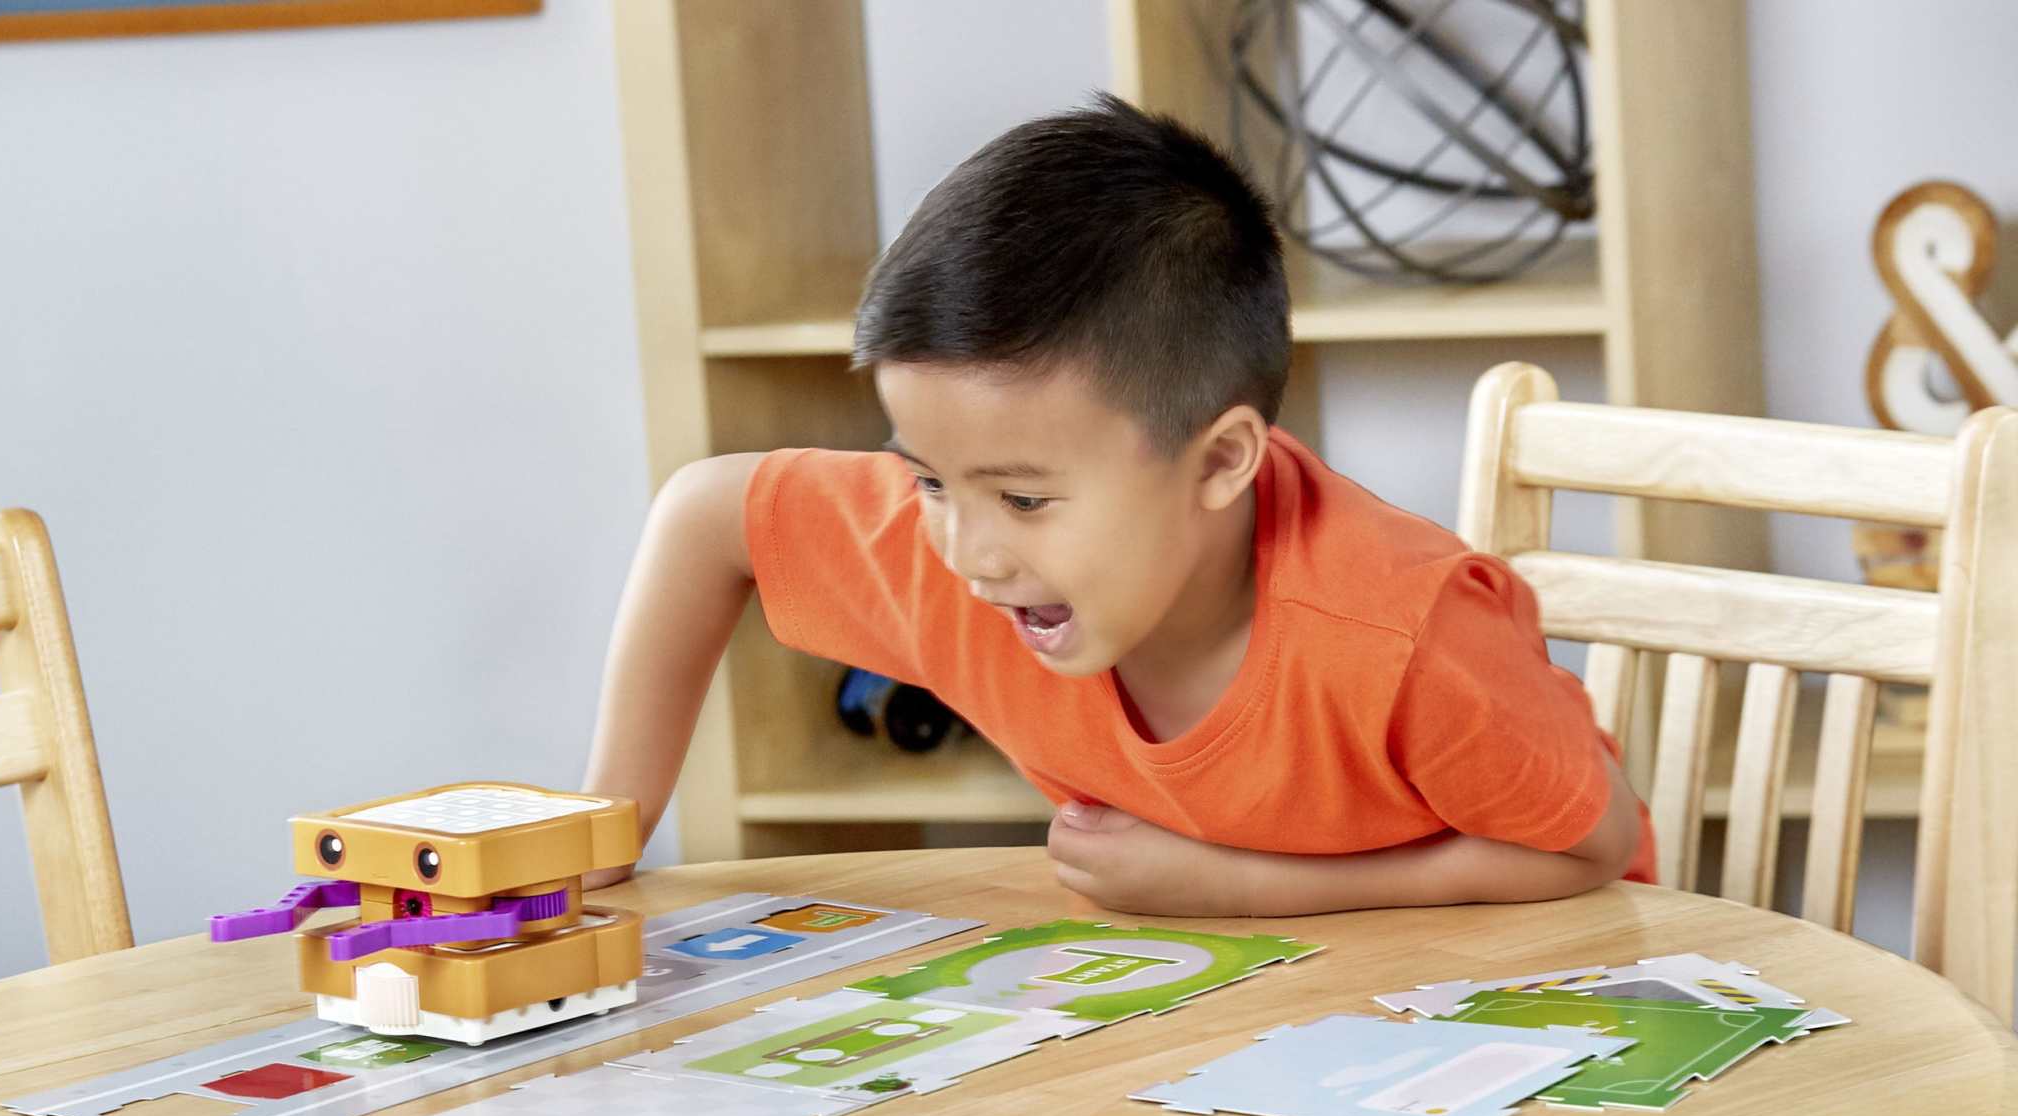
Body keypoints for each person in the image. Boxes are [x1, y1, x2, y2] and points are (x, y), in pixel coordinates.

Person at [582, 92, 1651, 915]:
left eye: (1024, 498)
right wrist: (597, 843)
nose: (966, 551)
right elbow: (701, 514)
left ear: (1220, 460)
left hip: (1535, 998)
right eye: (924, 478)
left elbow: (1584, 846)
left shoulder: (1403, 638)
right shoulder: (962, 523)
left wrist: (1236, 885)